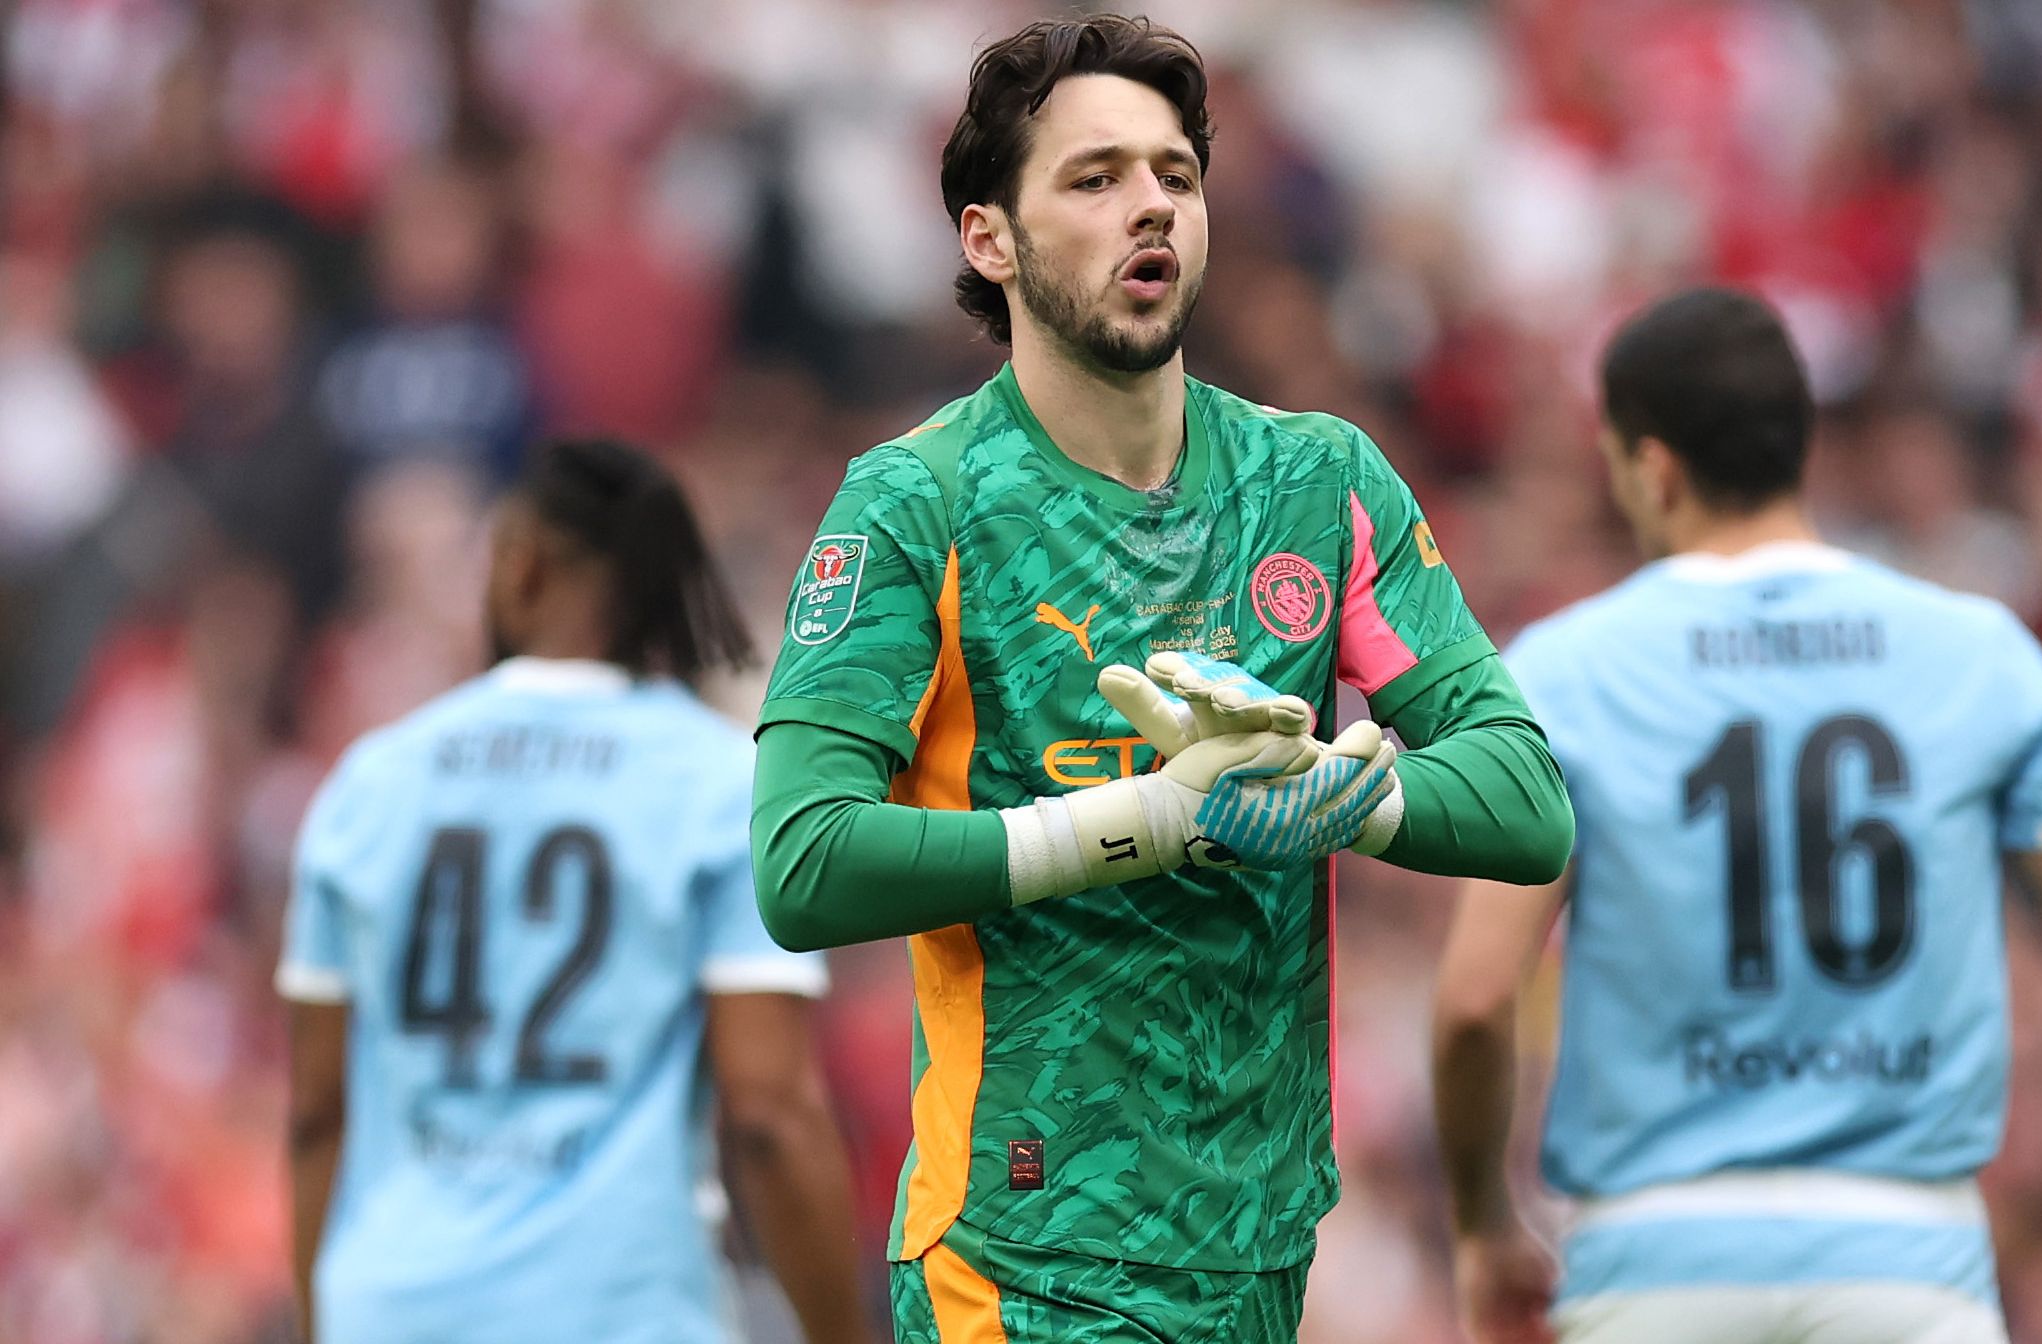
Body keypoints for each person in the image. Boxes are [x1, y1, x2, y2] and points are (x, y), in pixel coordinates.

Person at [746, 14, 1572, 1342]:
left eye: (1174, 176)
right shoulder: (915, 504)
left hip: (1259, 1262)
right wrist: (1138, 827)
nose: (1150, 206)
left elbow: (1525, 801)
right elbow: (802, 863)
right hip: (1018, 1265)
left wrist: (1336, 802)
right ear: (989, 240)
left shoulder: (1320, 482)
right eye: (1093, 178)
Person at [1430, 288, 2042, 1344]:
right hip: (1904, 1258)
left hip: (1651, 1256)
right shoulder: (1977, 653)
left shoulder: (1562, 675)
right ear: (1799, 445)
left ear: (1650, 467)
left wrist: (1481, 1224)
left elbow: (1470, 1003)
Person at [280, 438, 876, 1344]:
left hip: (392, 1308)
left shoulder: (370, 783)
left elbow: (319, 1112)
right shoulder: (718, 787)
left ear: (521, 566)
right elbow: (768, 1114)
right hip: (615, 1309)